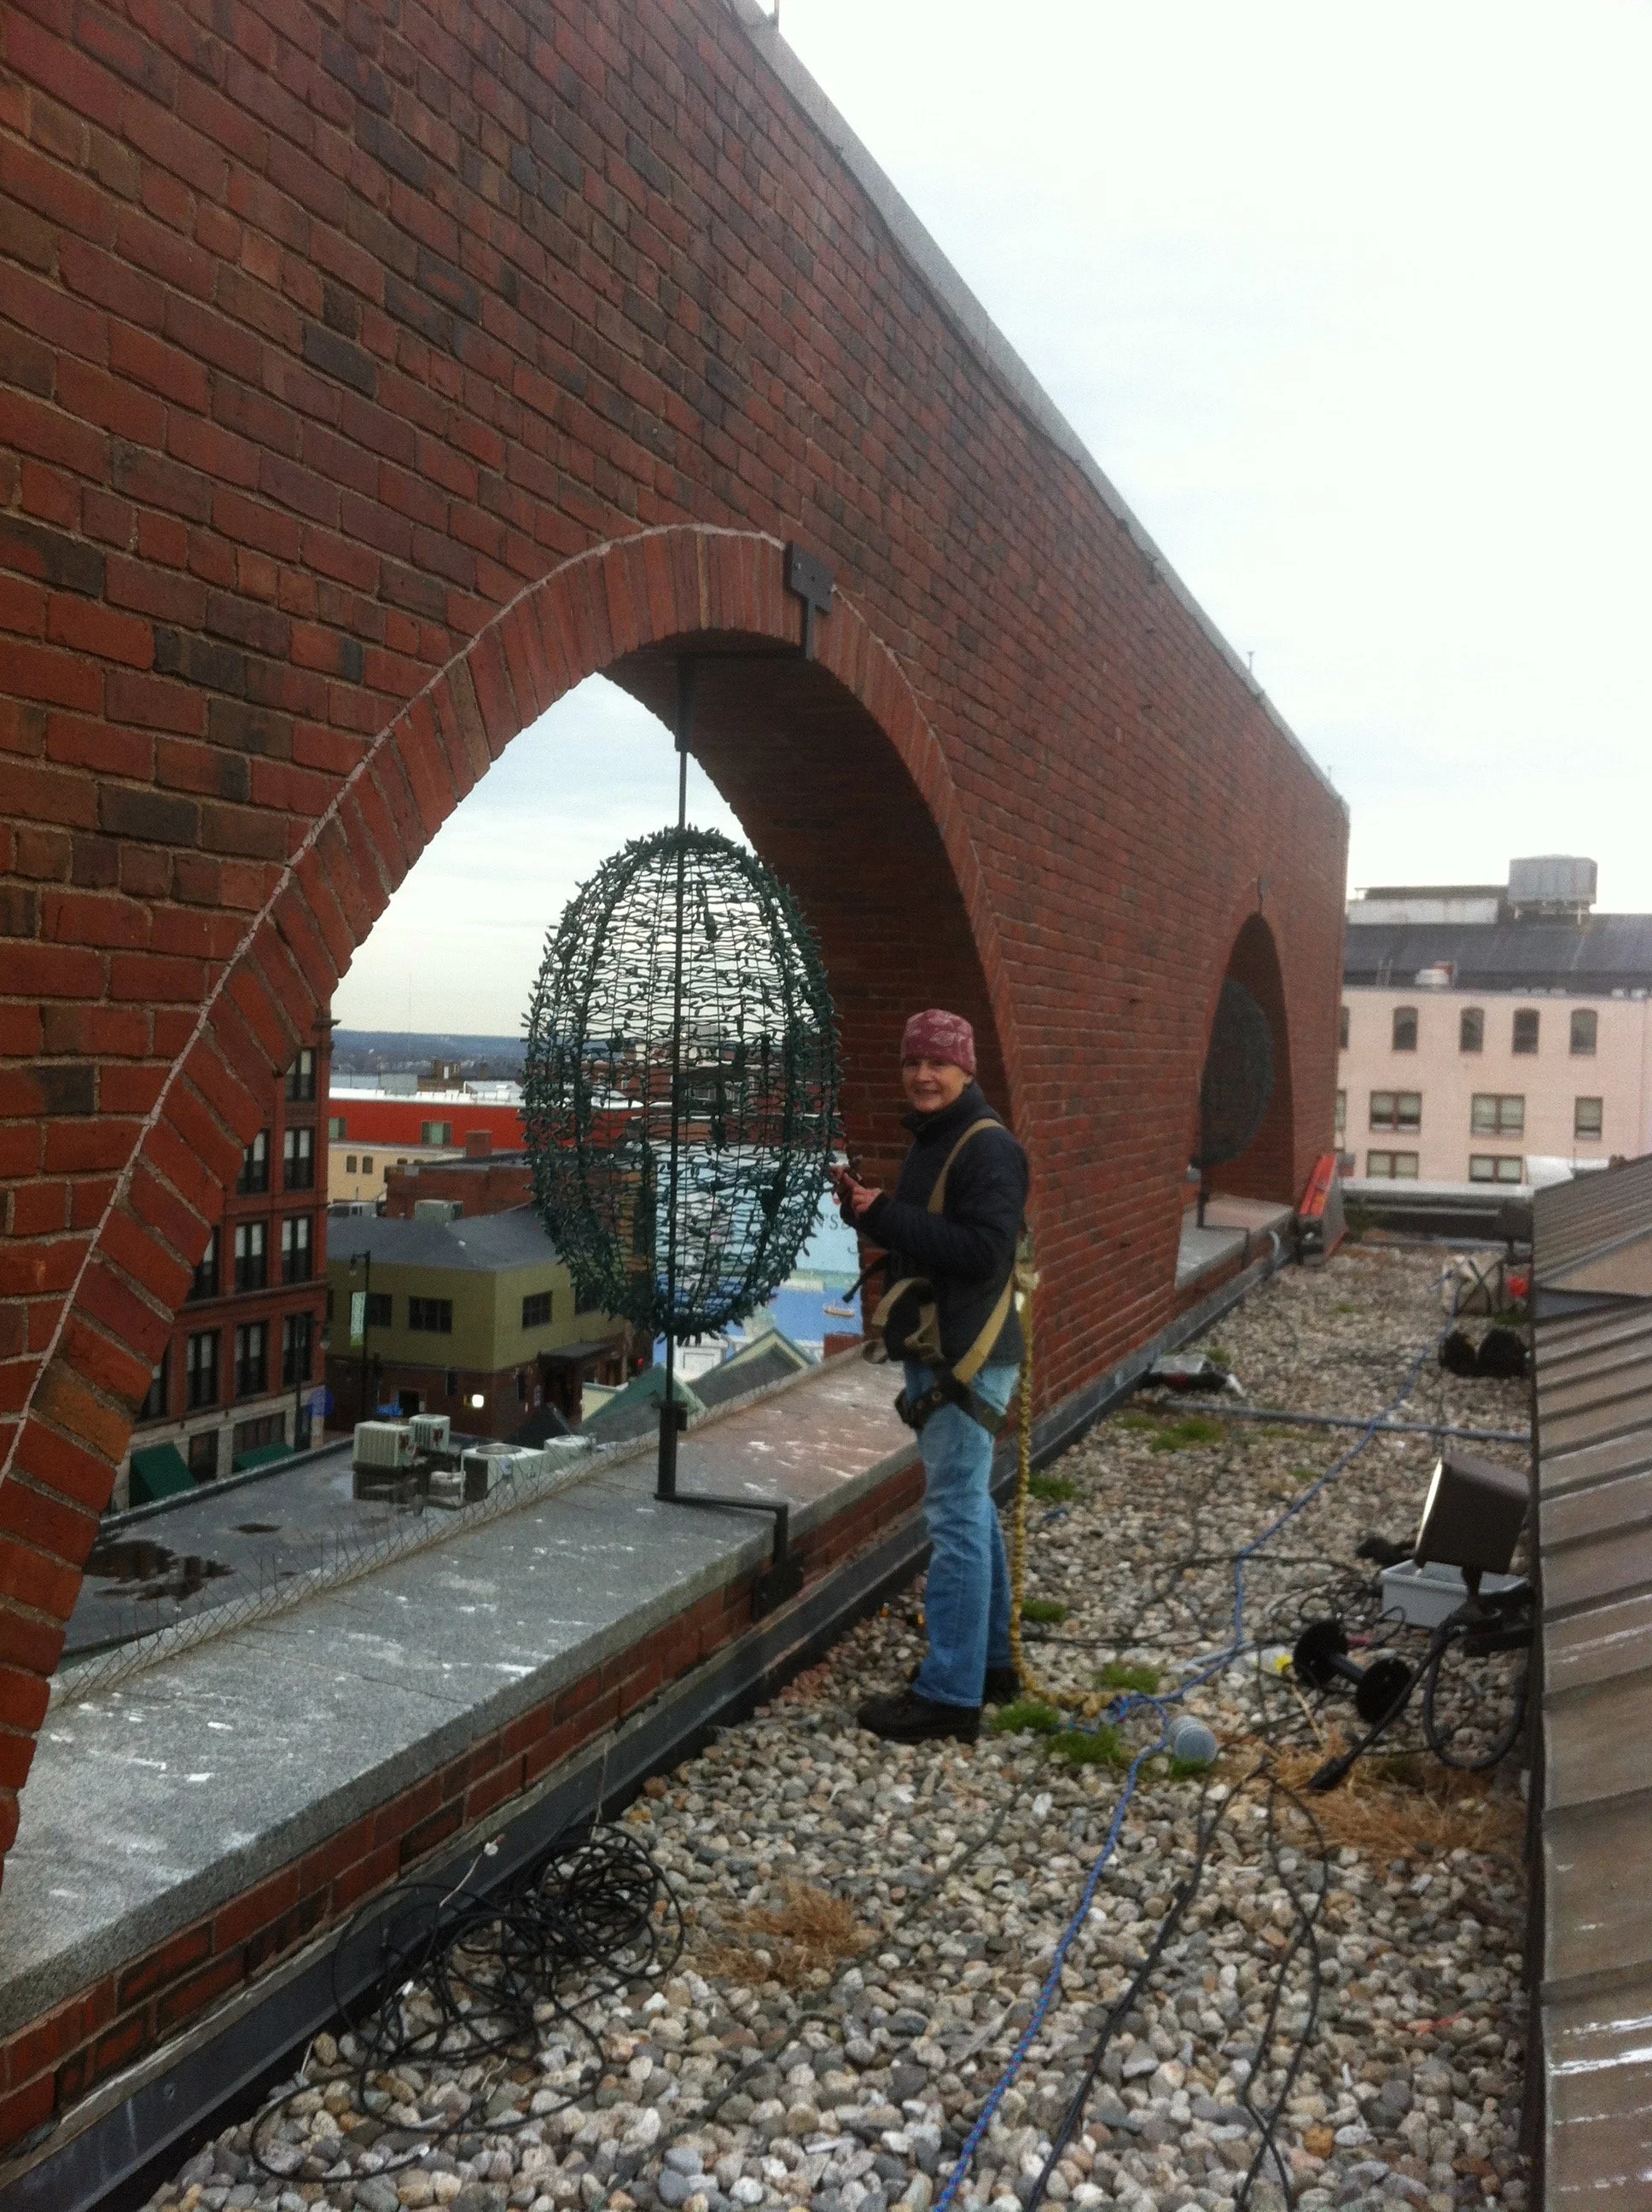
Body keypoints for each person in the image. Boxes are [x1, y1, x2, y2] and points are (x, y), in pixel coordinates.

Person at [830, 1009, 1029, 1744]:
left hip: (964, 1356)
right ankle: (993, 1665)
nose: (923, 1076)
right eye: (913, 1063)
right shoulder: (942, 1139)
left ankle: (950, 1692)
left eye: (938, 1065)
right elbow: (933, 1239)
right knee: (969, 1507)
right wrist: (873, 1214)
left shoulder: (988, 1149)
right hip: (949, 1349)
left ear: (966, 1070)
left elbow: (982, 1252)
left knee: (954, 1517)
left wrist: (888, 1213)